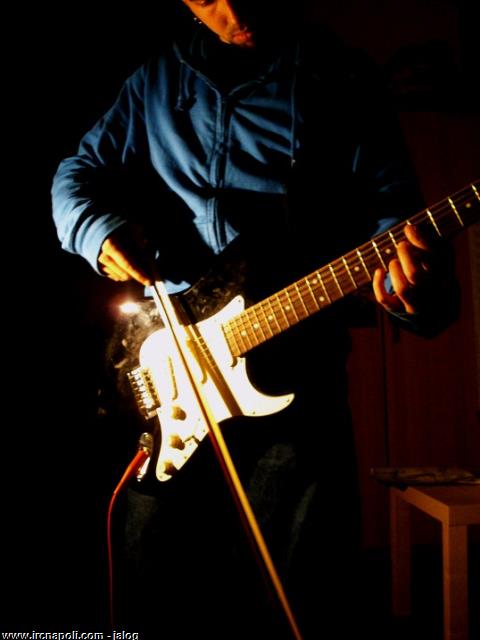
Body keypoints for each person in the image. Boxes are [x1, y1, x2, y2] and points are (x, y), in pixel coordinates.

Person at [51, 1, 459, 638]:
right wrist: (96, 231)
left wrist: (407, 286)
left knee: (303, 600)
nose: (235, 7)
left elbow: (392, 215)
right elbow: (74, 175)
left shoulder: (341, 77)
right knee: (156, 594)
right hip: (175, 372)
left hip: (298, 381)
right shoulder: (154, 80)